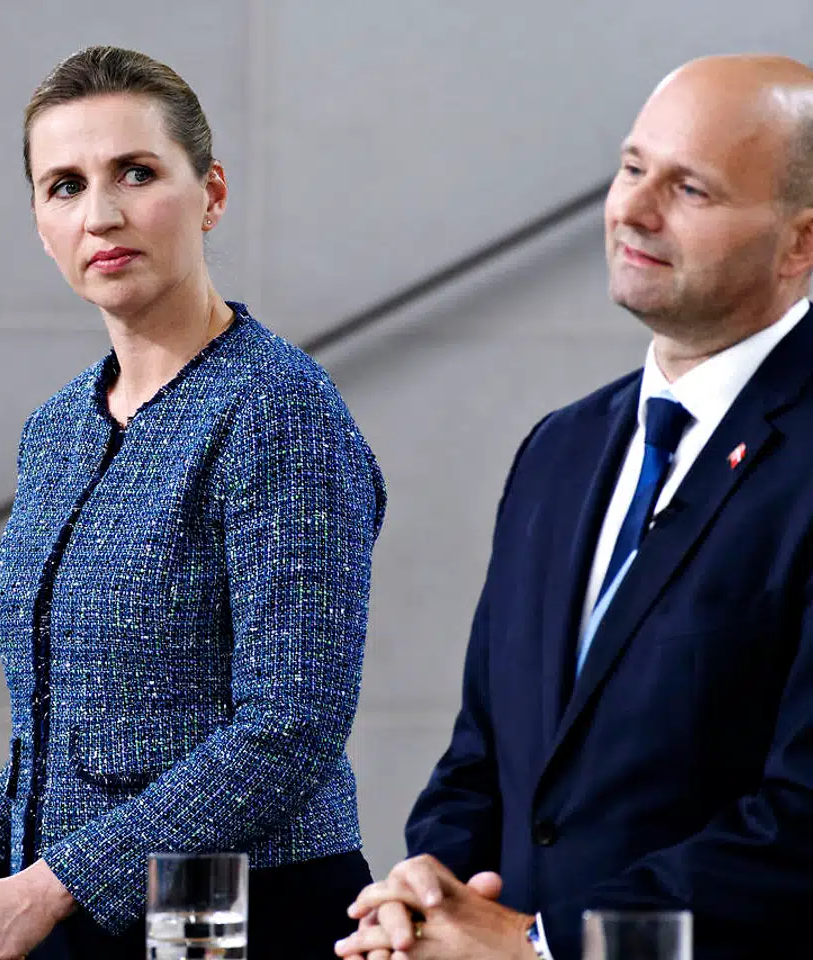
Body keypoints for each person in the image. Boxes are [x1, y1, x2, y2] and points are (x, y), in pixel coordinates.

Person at [0, 45, 386, 960]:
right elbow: (78, 741)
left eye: (137, 173)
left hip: (247, 918)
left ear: (210, 194)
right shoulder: (57, 429)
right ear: (40, 224)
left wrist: (48, 886)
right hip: (85, 916)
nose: (104, 213)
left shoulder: (278, 406)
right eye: (66, 185)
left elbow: (292, 726)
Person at [336, 55, 813, 960]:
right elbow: (485, 757)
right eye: (633, 167)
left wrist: (542, 943)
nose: (632, 210)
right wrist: (428, 891)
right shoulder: (559, 449)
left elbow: (801, 819)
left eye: (691, 189)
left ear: (801, 243)